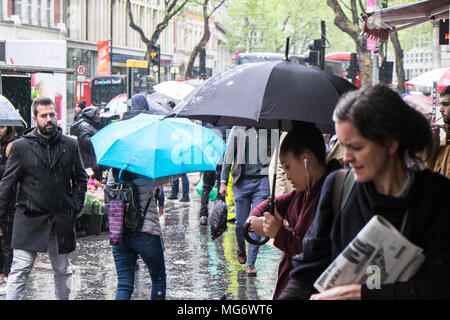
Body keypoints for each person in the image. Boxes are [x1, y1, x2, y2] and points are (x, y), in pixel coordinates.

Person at [279, 85, 450, 300]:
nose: (347, 157)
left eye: (357, 147)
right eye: (343, 146)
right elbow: (307, 270)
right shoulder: (338, 188)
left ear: (390, 143)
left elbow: (440, 286)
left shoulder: (436, 196)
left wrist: (362, 294)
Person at [0, 97, 88, 300]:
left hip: (61, 219)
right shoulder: (21, 147)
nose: (49, 119)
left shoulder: (70, 145)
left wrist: (74, 207)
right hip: (29, 218)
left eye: (52, 114)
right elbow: (7, 184)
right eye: (44, 115)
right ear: (35, 118)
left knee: (63, 270)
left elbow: (81, 179)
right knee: (20, 270)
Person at [246, 126, 341, 299]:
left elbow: (315, 254)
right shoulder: (302, 192)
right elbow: (271, 203)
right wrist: (253, 219)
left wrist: (278, 233)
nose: (287, 176)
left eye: (288, 167)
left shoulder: (329, 194)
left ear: (306, 159)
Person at [107, 97, 166, 300]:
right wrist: (154, 188)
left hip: (119, 231)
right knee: (158, 278)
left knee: (124, 285)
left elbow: (109, 189)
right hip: (146, 230)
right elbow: (164, 177)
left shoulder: (116, 155)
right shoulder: (149, 153)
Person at [219, 126, 273, 276]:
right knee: (240, 223)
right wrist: (223, 181)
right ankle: (241, 247)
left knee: (255, 222)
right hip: (241, 181)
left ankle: (251, 263)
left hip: (261, 181)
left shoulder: (269, 128)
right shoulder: (238, 129)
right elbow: (229, 155)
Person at [0, 126, 19, 295]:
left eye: (2, 127)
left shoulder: (12, 146)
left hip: (7, 199)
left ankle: (6, 275)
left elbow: (10, 174)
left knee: (7, 240)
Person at [199, 123, 231, 226]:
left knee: (206, 187)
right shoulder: (228, 122)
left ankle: (203, 215)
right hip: (222, 160)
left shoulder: (207, 122)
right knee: (220, 188)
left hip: (209, 160)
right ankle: (218, 217)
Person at [426, 85, 450, 179]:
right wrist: (433, 142)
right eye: (441, 105)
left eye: (446, 104)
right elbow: (429, 172)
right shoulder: (445, 139)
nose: (440, 109)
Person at [75, 106, 102, 180]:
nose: (99, 116)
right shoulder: (84, 126)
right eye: (97, 114)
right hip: (88, 162)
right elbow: (86, 143)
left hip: (92, 161)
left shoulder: (92, 125)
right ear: (91, 114)